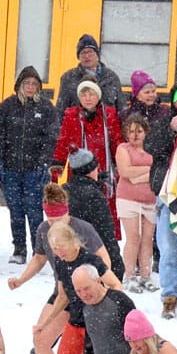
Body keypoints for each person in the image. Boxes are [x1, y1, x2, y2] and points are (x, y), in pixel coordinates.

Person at [8, 183, 111, 354]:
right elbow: (39, 258)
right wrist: (21, 280)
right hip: (62, 292)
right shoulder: (43, 230)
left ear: (67, 213)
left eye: (58, 220)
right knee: (40, 339)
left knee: (85, 348)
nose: (54, 225)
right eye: (50, 220)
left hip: (87, 293)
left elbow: (104, 258)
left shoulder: (83, 228)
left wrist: (100, 285)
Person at [33, 222, 122, 354]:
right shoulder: (60, 262)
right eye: (54, 248)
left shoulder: (91, 260)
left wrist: (110, 311)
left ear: (73, 242)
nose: (58, 252)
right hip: (75, 323)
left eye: (61, 246)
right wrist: (45, 323)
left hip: (96, 325)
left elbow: (116, 285)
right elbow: (62, 296)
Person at [0, 66, 59, 264]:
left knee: (34, 211)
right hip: (10, 168)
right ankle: (19, 249)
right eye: (26, 83)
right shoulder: (6, 107)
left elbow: (51, 139)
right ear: (19, 84)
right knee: (16, 211)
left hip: (34, 170)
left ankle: (39, 251)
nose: (30, 87)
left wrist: (44, 163)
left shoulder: (46, 108)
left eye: (34, 84)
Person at [144, 80, 177, 318]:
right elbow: (150, 147)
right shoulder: (162, 123)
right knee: (168, 250)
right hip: (167, 195)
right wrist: (170, 129)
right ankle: (169, 296)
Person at [53, 79, 123, 238]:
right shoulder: (72, 115)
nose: (88, 98)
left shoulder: (109, 115)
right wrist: (57, 163)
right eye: (83, 95)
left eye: (91, 94)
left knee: (104, 216)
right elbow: (64, 141)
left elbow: (116, 141)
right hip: (79, 173)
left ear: (98, 96)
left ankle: (106, 245)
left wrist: (120, 163)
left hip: (103, 172)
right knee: (79, 216)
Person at [62, 145, 125, 279]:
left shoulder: (64, 191)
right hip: (94, 261)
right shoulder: (93, 196)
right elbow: (105, 232)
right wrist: (116, 264)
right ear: (90, 170)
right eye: (96, 167)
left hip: (68, 259)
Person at [115, 114, 157, 291]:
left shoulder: (152, 149)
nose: (135, 135)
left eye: (139, 131)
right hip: (128, 198)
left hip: (150, 200)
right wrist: (149, 170)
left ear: (145, 132)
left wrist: (139, 175)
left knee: (147, 239)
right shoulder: (123, 148)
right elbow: (125, 172)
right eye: (131, 131)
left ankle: (146, 275)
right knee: (133, 238)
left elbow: (158, 171)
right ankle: (130, 275)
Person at [56, 35, 126, 113]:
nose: (86, 56)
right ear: (78, 57)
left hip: (107, 120)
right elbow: (60, 110)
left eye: (90, 52)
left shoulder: (111, 77)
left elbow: (121, 107)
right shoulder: (68, 78)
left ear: (97, 55)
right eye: (83, 53)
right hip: (78, 120)